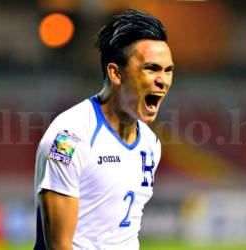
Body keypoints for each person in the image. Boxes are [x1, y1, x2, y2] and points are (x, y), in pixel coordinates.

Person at [34, 9, 174, 250]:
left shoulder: (150, 145)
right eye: (151, 68)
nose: (163, 80)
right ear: (115, 72)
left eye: (168, 70)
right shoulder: (70, 138)